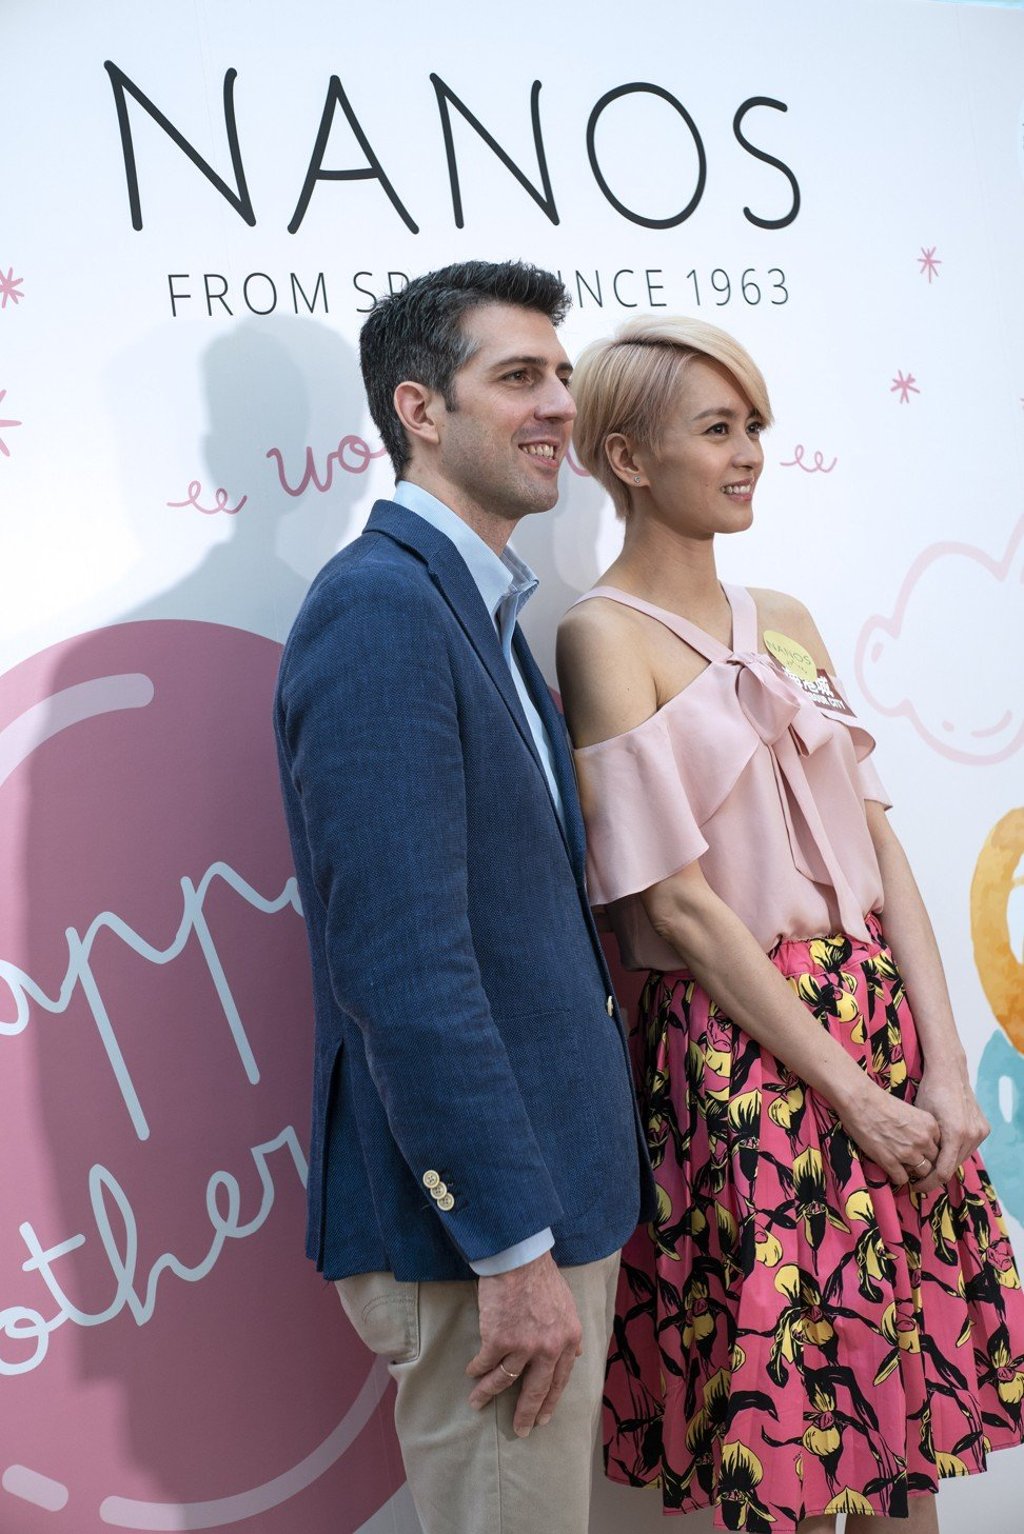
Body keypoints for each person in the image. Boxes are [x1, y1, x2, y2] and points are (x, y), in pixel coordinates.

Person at [556, 314, 1024, 1534]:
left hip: (868, 1024)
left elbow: (880, 847)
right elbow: (676, 907)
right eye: (717, 428)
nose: (750, 451)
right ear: (627, 456)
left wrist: (936, 1061)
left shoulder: (789, 616)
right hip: (735, 1056)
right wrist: (848, 1092)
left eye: (754, 424)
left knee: (897, 1418)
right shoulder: (599, 638)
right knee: (789, 1439)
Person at [273, 261, 654, 1534]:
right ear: (420, 409)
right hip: (483, 1241)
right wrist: (505, 1245)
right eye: (518, 377)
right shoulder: (380, 610)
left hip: (544, 1200)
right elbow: (403, 967)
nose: (557, 403)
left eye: (560, 371)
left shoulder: (475, 608)